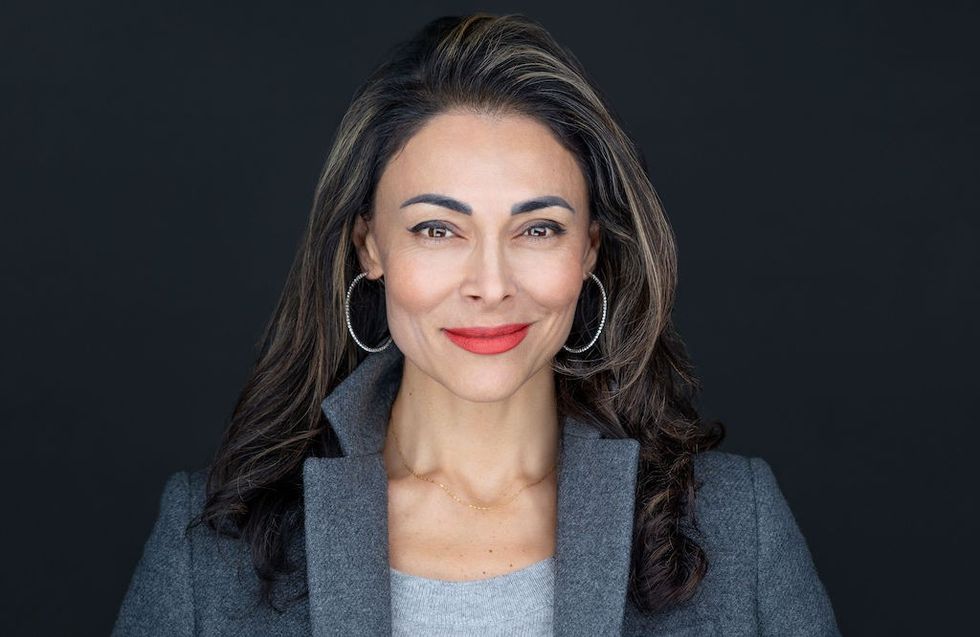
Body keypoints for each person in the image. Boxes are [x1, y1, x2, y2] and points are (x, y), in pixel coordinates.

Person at [111, 12, 842, 636]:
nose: (490, 285)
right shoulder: (211, 549)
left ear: (591, 246)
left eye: (539, 230)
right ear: (369, 244)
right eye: (437, 229)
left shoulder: (734, 523)